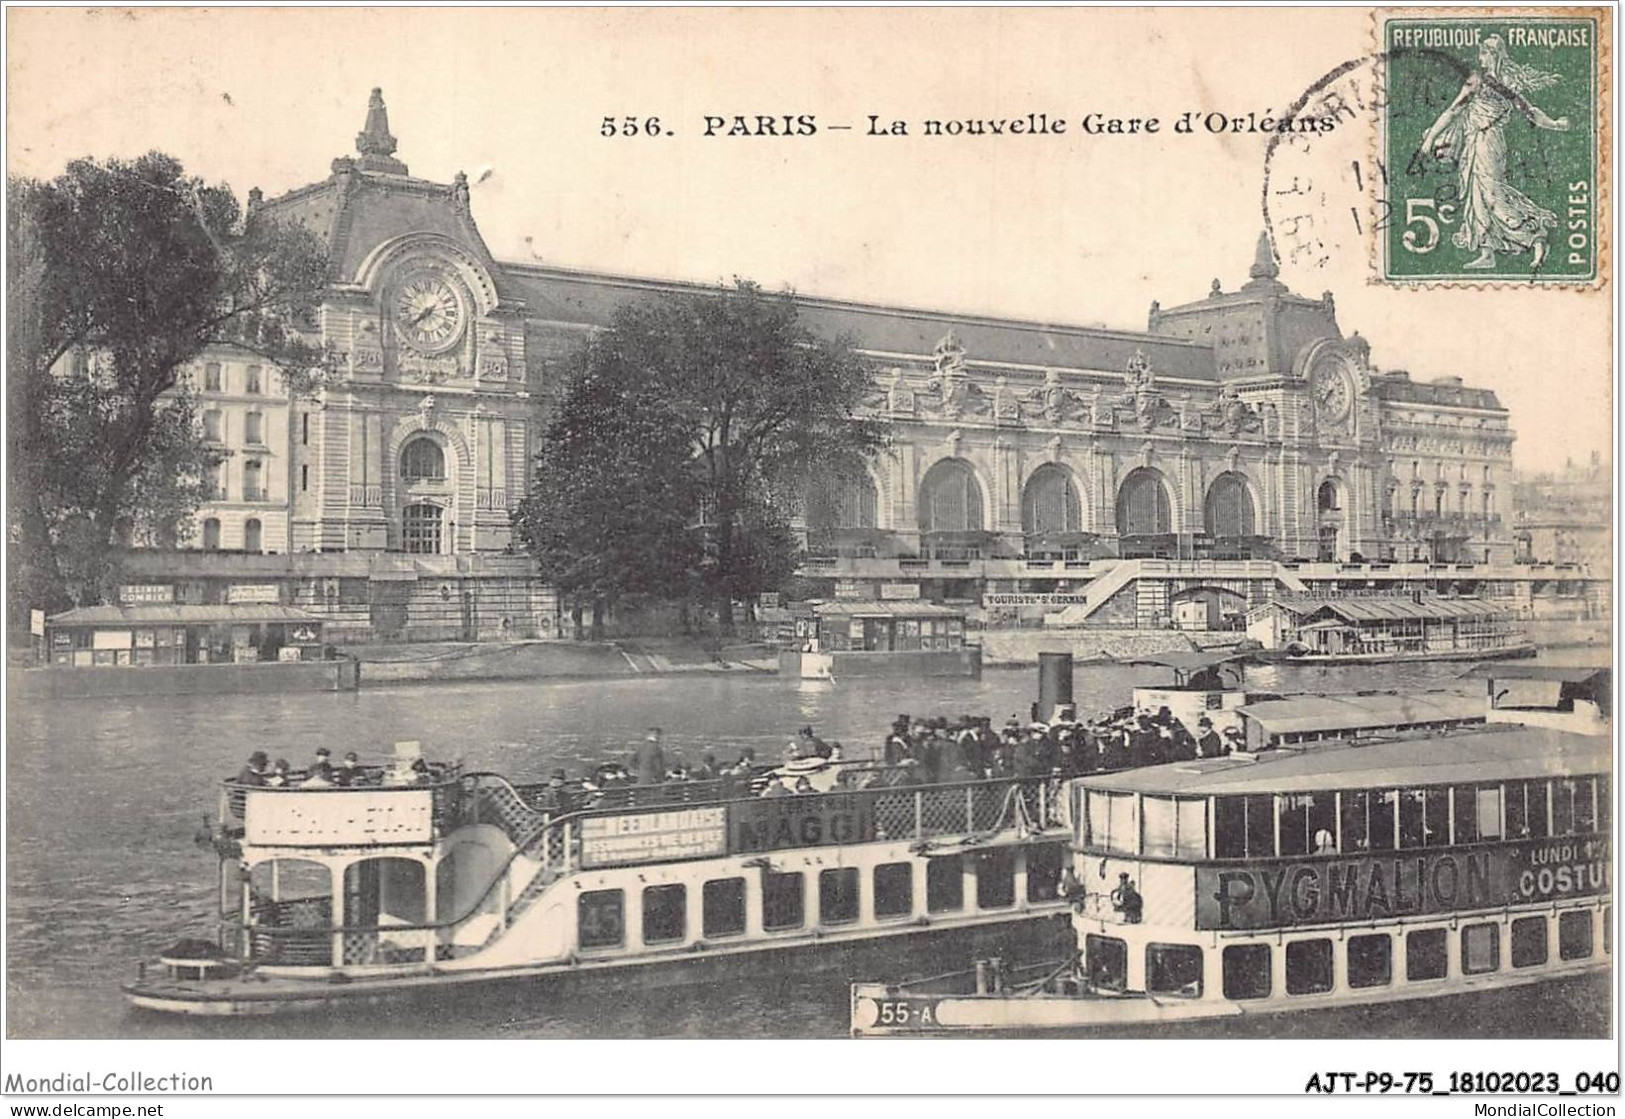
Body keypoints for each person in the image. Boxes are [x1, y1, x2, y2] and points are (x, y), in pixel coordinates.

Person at [1417, 34, 1570, 271]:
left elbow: (1529, 111)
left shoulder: (1496, 82)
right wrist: (1431, 138)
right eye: (1480, 53)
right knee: (1474, 194)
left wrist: (1555, 125)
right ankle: (1487, 252)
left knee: (1490, 192)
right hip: (1473, 141)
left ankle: (1535, 236)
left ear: (1494, 55)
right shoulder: (1478, 81)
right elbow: (1453, 111)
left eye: (1484, 53)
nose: (1481, 58)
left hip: (1489, 141)